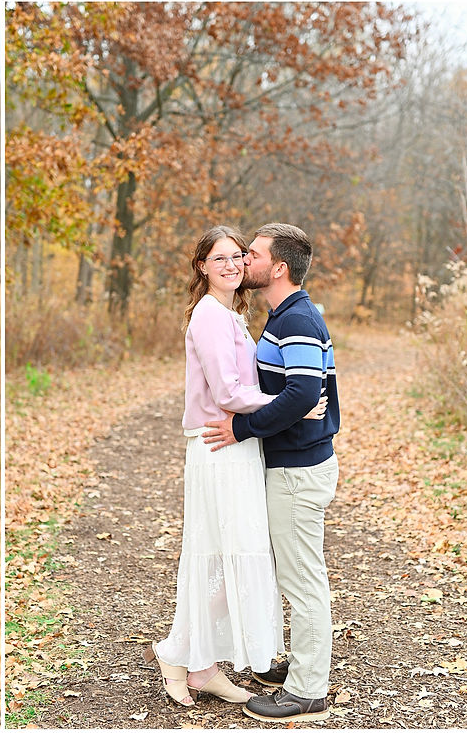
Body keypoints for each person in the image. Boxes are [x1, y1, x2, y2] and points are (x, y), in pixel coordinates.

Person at [146, 225, 326, 708]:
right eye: (220, 258)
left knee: (235, 556)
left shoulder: (232, 315)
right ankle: (179, 651)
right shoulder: (208, 316)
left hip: (239, 446)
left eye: (239, 255)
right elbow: (226, 394)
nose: (232, 264)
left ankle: (201, 665)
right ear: (202, 266)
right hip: (219, 446)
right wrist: (288, 402)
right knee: (227, 554)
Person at [203, 222, 340, 723]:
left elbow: (304, 394)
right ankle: (303, 666)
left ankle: (308, 689)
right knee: (294, 571)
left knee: (304, 579)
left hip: (300, 470)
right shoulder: (284, 315)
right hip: (291, 465)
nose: (243, 260)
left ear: (277, 267)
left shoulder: (298, 319)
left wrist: (242, 429)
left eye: (253, 254)